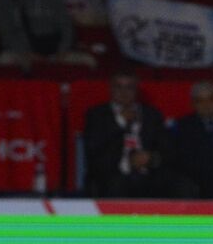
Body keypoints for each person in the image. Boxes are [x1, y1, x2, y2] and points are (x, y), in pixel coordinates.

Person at [81, 70, 191, 198]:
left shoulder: (151, 115)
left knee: (183, 185)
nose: (124, 92)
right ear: (111, 89)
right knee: (117, 184)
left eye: (129, 87)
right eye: (119, 87)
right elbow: (95, 153)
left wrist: (150, 158)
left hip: (149, 174)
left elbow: (168, 150)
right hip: (114, 174)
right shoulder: (97, 115)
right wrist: (121, 123)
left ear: (136, 90)